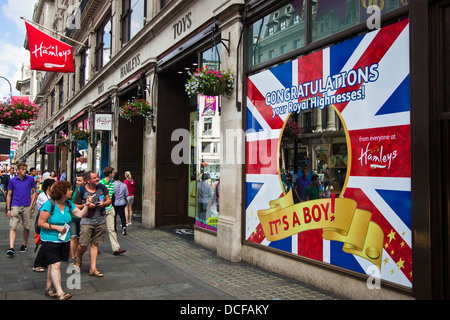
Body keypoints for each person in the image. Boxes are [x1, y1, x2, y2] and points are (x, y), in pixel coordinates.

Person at [38, 180, 94, 300]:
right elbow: (40, 223)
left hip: (63, 240)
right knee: (56, 264)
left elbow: (80, 214)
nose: (71, 191)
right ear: (62, 192)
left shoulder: (68, 204)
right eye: (69, 189)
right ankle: (60, 292)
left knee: (52, 264)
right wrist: (56, 227)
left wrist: (87, 205)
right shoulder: (49, 204)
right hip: (49, 239)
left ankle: (48, 288)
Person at [74, 171, 110, 277]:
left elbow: (109, 200)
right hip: (86, 220)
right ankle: (79, 257)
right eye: (94, 178)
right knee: (83, 244)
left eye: (97, 177)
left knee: (95, 244)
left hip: (100, 220)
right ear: (88, 180)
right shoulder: (81, 190)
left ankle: (93, 268)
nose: (97, 179)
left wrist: (103, 203)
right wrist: (86, 205)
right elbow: (75, 205)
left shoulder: (102, 188)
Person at [6, 162, 38, 257]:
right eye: (22, 169)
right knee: (13, 226)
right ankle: (11, 247)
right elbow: (9, 194)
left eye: (25, 169)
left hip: (27, 205)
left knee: (27, 226)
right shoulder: (13, 181)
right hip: (15, 204)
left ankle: (24, 244)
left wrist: (32, 204)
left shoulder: (30, 179)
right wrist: (8, 208)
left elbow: (34, 192)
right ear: (18, 170)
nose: (24, 171)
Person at [100, 167, 126, 255]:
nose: (114, 174)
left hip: (110, 209)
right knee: (99, 229)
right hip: (101, 210)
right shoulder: (100, 184)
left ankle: (116, 248)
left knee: (112, 229)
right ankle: (95, 246)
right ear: (110, 174)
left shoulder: (112, 183)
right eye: (113, 172)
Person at [33, 178, 56, 272]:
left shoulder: (52, 196)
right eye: (54, 186)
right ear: (49, 187)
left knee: (48, 243)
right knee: (45, 243)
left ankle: (45, 262)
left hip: (51, 222)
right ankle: (38, 264)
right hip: (43, 222)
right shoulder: (42, 196)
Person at [69, 171, 86, 262]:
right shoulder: (73, 188)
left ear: (84, 181)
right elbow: (72, 204)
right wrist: (85, 205)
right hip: (72, 216)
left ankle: (77, 255)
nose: (77, 182)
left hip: (82, 217)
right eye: (77, 180)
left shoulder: (85, 190)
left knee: (79, 238)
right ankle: (73, 256)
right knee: (73, 236)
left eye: (80, 180)